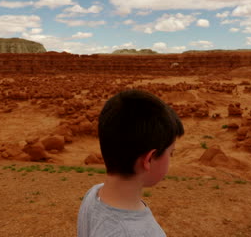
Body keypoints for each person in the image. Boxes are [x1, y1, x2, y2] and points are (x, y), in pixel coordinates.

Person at [77, 89, 184, 236]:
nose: (171, 158)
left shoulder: (93, 194)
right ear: (149, 159)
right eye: (171, 153)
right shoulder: (142, 233)